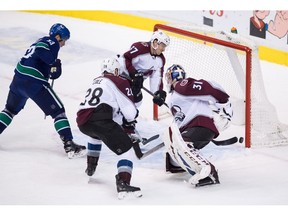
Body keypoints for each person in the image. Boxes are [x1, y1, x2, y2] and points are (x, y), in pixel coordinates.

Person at [0, 23, 86, 159]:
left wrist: (54, 65)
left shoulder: (40, 42)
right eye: (63, 40)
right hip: (33, 82)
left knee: (9, 110)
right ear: (58, 37)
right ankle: (69, 145)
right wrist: (53, 61)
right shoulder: (51, 41)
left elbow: (51, 71)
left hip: (18, 80)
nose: (63, 44)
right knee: (58, 112)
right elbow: (43, 53)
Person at [76, 58, 142, 199]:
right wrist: (131, 119)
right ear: (116, 70)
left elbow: (109, 108)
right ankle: (123, 183)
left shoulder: (97, 80)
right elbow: (129, 112)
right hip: (100, 121)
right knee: (126, 150)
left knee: (95, 135)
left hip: (83, 122)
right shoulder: (119, 81)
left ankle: (90, 167)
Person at [162, 64, 233, 187]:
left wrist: (224, 102)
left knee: (182, 142)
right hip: (193, 127)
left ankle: (209, 173)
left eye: (169, 76)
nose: (167, 80)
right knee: (170, 138)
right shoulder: (173, 97)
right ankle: (178, 164)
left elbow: (209, 88)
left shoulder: (181, 86)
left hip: (200, 124)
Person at [117, 30, 170, 107]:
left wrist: (158, 92)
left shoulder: (161, 60)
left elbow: (156, 77)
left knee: (137, 102)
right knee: (118, 100)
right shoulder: (140, 48)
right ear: (155, 42)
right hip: (121, 78)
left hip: (135, 84)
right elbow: (124, 59)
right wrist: (133, 73)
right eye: (163, 46)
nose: (163, 49)